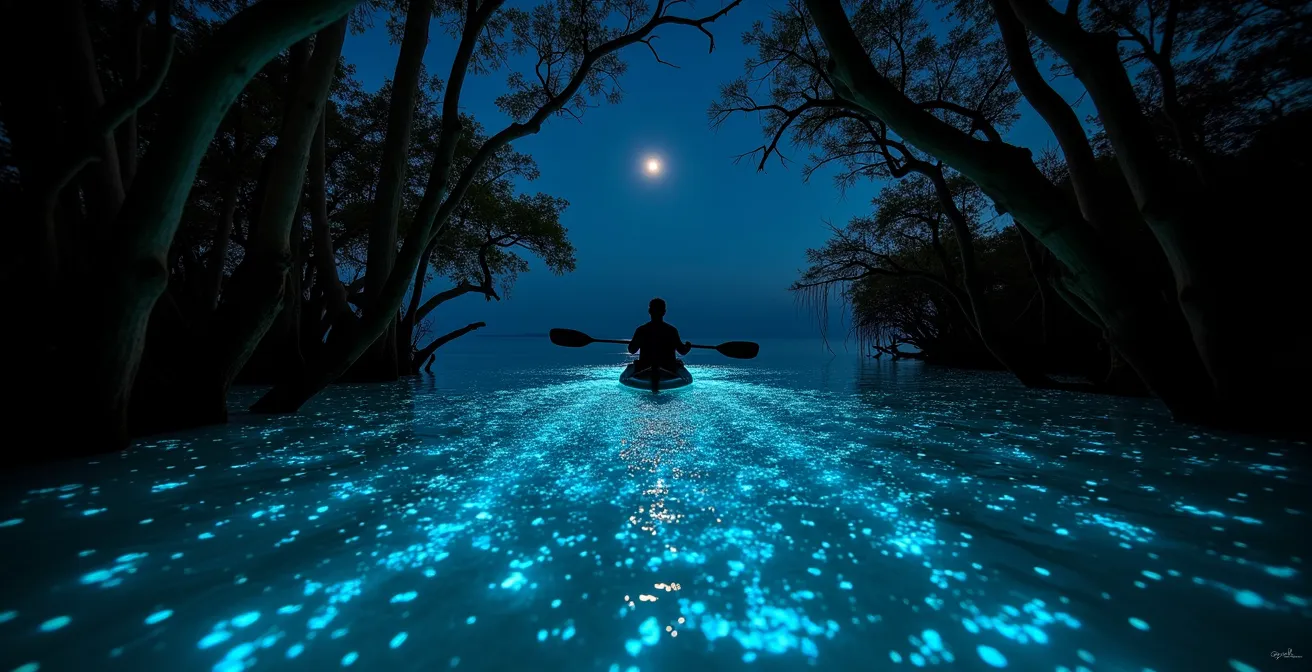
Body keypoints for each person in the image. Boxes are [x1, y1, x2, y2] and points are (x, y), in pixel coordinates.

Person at [628, 298, 692, 372]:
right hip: (668, 368)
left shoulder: (641, 330)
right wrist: (688, 346)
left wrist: (634, 342)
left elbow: (632, 350)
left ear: (649, 311)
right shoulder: (671, 331)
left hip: (645, 367)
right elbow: (682, 351)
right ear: (664, 312)